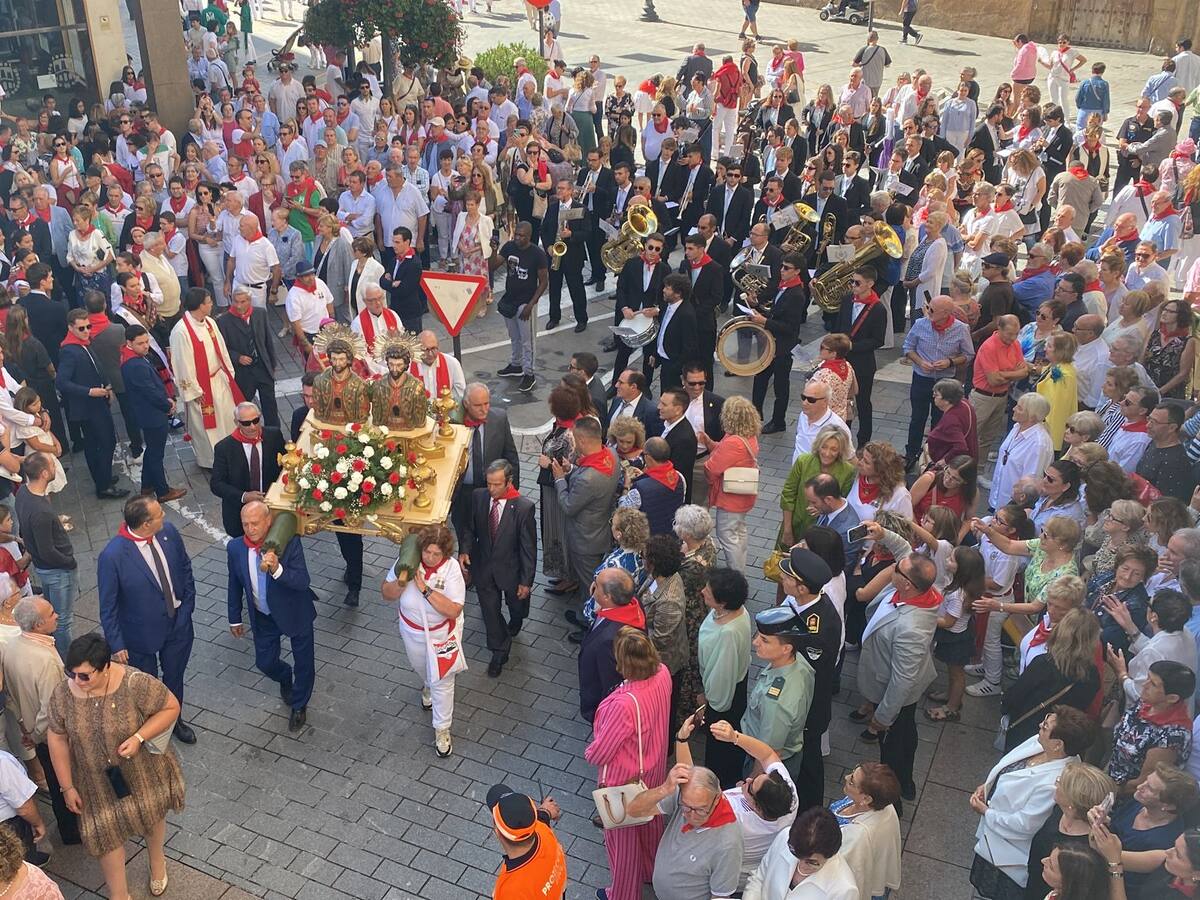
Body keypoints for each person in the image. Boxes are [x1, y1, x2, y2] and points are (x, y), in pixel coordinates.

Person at [47, 633, 185, 900]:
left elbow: (170, 707)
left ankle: (157, 860)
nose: (77, 681)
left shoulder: (134, 682)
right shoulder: (63, 694)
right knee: (105, 835)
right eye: (71, 673)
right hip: (94, 781)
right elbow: (57, 737)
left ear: (106, 667)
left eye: (85, 675)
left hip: (142, 771)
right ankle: (118, 895)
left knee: (152, 815)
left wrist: (138, 737)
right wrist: (66, 786)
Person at [96, 496, 197, 746]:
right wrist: (117, 644)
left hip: (177, 625)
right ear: (145, 524)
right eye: (159, 514)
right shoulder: (113, 556)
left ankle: (175, 719)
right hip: (141, 636)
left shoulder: (168, 532)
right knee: (147, 685)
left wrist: (187, 609)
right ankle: (151, 726)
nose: (165, 516)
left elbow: (184, 568)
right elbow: (108, 605)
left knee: (174, 676)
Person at [968, 706, 1096, 900]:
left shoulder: (1055, 782)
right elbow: (1007, 768)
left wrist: (986, 812)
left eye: (1045, 726)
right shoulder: (1039, 744)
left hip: (1006, 851)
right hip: (994, 836)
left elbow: (1024, 824)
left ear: (1058, 744)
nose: (1040, 726)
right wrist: (988, 785)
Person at [583, 627, 671, 900]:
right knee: (650, 824)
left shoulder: (622, 703)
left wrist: (590, 752)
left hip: (625, 779)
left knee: (622, 842)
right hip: (654, 769)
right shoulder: (663, 674)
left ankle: (622, 893)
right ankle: (651, 871)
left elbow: (602, 751)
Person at [226, 500, 316, 733]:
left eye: (255, 523)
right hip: (263, 615)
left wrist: (277, 570)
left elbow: (302, 581)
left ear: (268, 521)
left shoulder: (290, 543)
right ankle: (285, 677)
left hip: (295, 611)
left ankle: (299, 704)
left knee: (304, 663)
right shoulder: (235, 548)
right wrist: (234, 617)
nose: (250, 529)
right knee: (264, 662)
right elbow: (234, 583)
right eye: (245, 524)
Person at [857, 548, 940, 801]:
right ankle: (905, 781)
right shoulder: (914, 592)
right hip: (892, 683)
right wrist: (883, 534)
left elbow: (902, 680)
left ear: (906, 583)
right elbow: (905, 549)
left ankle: (893, 794)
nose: (892, 569)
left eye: (897, 569)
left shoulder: (911, 628)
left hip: (892, 692)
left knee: (893, 742)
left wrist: (882, 717)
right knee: (906, 730)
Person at [459, 461, 536, 679]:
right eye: (489, 483)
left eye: (497, 484)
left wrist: (526, 582)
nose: (491, 489)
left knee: (516, 607)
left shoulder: (523, 507)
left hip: (511, 572)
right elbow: (469, 527)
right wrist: (465, 550)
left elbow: (528, 549)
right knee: (490, 612)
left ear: (508, 482)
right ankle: (499, 651)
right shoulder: (479, 497)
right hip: (484, 568)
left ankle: (516, 619)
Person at [626, 763, 743, 900]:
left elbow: (720, 897)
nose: (692, 816)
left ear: (717, 799)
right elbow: (634, 810)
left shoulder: (728, 844)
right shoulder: (684, 796)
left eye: (700, 810)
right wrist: (664, 789)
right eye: (686, 807)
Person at [1000, 607, 1102, 750]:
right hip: (1058, 739)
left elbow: (1015, 696)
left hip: (1025, 732)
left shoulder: (1044, 664)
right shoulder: (1092, 676)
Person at [553, 418, 621, 624]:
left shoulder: (588, 478)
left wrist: (559, 479)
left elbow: (568, 506)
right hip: (601, 530)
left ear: (582, 440)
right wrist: (572, 469)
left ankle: (587, 622)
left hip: (584, 539)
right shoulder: (611, 455)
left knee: (589, 585)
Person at [740, 606, 815, 787]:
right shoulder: (798, 662)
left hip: (766, 765)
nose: (756, 642)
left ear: (786, 648)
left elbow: (770, 750)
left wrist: (752, 781)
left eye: (765, 640)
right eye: (758, 635)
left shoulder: (776, 699)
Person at [55, 309, 126, 499]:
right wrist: (90, 391)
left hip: (95, 402)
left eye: (88, 326)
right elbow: (62, 382)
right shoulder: (70, 350)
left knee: (94, 443)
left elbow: (95, 366)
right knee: (106, 442)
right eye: (81, 328)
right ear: (71, 328)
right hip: (89, 406)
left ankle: (102, 479)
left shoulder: (82, 344)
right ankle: (103, 485)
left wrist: (107, 387)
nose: (86, 331)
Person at [169, 287, 242, 469]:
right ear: (200, 305)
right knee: (208, 428)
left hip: (218, 379)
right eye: (208, 302)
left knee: (227, 419)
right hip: (201, 388)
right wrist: (194, 390)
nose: (211, 305)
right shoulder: (181, 331)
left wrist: (228, 372)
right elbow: (181, 363)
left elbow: (221, 348)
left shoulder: (209, 322)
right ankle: (211, 461)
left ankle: (232, 454)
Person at [902, 295, 974, 469]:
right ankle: (911, 454)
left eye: (932, 310)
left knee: (941, 420)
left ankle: (934, 456)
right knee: (917, 418)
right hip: (921, 378)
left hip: (945, 382)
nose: (928, 311)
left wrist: (950, 362)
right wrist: (920, 362)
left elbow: (969, 354)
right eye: (928, 307)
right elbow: (908, 347)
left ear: (947, 313)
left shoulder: (961, 329)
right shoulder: (920, 324)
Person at [696, 567, 752, 790]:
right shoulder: (732, 611)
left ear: (722, 602)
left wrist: (709, 702)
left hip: (723, 696)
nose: (702, 592)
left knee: (720, 749)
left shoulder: (728, 632)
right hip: (728, 684)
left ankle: (717, 786)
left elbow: (722, 675)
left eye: (708, 591)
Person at [14, 453, 75, 657]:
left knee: (52, 610)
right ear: (44, 473)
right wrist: (68, 562)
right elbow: (47, 549)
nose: (56, 468)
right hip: (57, 571)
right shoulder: (41, 511)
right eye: (52, 465)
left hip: (44, 567)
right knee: (61, 619)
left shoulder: (24, 492)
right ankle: (65, 660)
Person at [118, 325, 186, 502]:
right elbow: (150, 391)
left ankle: (147, 486)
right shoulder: (135, 365)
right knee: (156, 454)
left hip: (148, 412)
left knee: (152, 452)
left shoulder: (133, 358)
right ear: (129, 343)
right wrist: (167, 404)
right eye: (140, 343)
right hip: (152, 415)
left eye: (147, 342)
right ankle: (162, 491)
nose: (146, 346)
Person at [1109, 660, 1195, 792]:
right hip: (1112, 777)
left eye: (1153, 684)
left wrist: (1103, 791)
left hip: (1126, 795)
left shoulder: (1172, 737)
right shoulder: (1147, 702)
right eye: (1148, 678)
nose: (1144, 685)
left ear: (1172, 698)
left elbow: (1142, 783)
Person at [742, 806, 858, 900]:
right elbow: (759, 878)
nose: (801, 866)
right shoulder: (785, 837)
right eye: (796, 855)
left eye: (812, 862)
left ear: (831, 854)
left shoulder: (845, 890)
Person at [700, 396, 761, 572]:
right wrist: (710, 443)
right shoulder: (747, 437)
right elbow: (721, 447)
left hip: (730, 499)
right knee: (739, 533)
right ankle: (740, 572)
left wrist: (709, 475)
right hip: (743, 496)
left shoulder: (734, 442)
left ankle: (735, 576)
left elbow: (712, 469)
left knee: (727, 536)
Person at [578, 568, 645, 724]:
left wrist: (603, 716)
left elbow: (610, 683)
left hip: (600, 708)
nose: (593, 584)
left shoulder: (610, 640)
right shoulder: (632, 605)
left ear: (607, 597)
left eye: (597, 584)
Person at [210, 402, 284, 538]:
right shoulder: (224, 448)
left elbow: (285, 466)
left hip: (272, 508)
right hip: (239, 514)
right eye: (246, 423)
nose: (252, 427)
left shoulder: (274, 436)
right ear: (236, 422)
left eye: (256, 421)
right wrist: (244, 496)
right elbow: (216, 484)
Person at [828, 763, 902, 900]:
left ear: (867, 799)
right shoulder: (885, 805)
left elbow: (842, 869)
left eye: (851, 782)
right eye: (851, 773)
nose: (846, 777)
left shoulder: (858, 835)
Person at [833, 265, 887, 444]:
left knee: (863, 402)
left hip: (863, 363)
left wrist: (852, 346)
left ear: (870, 284)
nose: (853, 286)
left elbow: (878, 340)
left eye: (857, 283)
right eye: (852, 281)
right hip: (842, 360)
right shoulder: (848, 299)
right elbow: (840, 325)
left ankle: (863, 440)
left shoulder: (878, 309)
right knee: (841, 400)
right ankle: (843, 438)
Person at [491, 222, 546, 394]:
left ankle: (529, 373)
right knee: (513, 336)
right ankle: (515, 365)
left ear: (529, 236)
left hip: (526, 302)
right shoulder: (509, 247)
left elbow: (544, 282)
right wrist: (494, 250)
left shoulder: (537, 254)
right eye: (516, 235)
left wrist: (531, 305)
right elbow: (492, 266)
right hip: (510, 299)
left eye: (522, 236)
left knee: (527, 341)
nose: (518, 238)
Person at [486, 783, 567, 900]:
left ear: (497, 832)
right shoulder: (543, 830)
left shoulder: (510, 891)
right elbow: (541, 820)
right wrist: (546, 811)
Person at [216, 285, 279, 428]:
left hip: (262, 368)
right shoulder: (223, 321)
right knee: (244, 408)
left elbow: (268, 340)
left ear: (250, 300)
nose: (239, 306)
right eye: (236, 301)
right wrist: (237, 357)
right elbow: (222, 348)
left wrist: (272, 365)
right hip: (243, 373)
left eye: (243, 301)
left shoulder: (260, 313)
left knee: (270, 407)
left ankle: (274, 436)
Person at [989, 392, 1055, 511]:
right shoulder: (1016, 427)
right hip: (999, 498)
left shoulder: (1039, 444)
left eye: (1019, 408)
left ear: (1032, 416)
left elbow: (1031, 483)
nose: (1013, 408)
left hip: (1014, 507)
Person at [1138, 403, 1198, 503]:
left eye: (1154, 422)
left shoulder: (1175, 462)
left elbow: (1164, 504)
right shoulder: (1154, 443)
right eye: (1149, 419)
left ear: (1172, 427)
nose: (1148, 425)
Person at [791, 379, 853, 464]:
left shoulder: (837, 426)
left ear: (825, 402)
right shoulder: (803, 415)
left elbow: (850, 458)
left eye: (811, 400)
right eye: (803, 397)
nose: (805, 403)